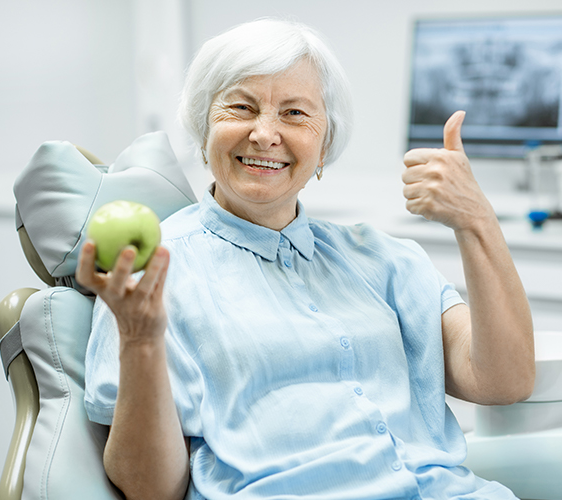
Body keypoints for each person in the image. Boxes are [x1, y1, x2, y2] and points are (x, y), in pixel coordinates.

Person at [78, 18, 535, 500]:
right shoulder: (149, 277)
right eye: (241, 107)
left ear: (325, 145)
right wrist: (140, 339)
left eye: (295, 114)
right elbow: (150, 490)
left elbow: (504, 379)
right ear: (204, 126)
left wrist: (476, 222)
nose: (264, 134)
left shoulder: (383, 259)